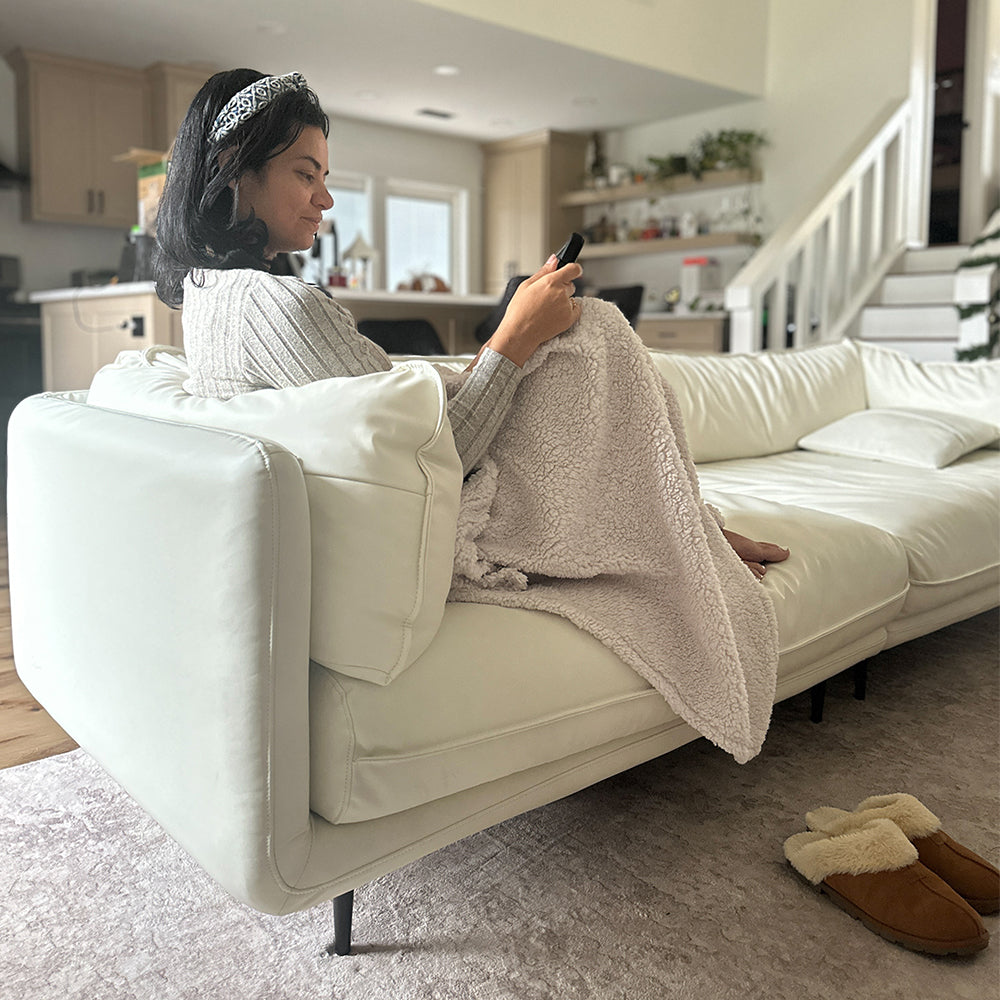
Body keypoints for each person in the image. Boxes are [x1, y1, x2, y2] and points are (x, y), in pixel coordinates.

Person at [154, 69, 787, 578]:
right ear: (234, 167)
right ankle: (682, 526)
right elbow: (436, 454)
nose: (325, 199)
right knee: (593, 328)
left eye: (325, 177)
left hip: (367, 499)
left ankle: (681, 519)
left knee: (560, 338)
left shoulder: (210, 296)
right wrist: (514, 337)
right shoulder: (279, 307)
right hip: (438, 508)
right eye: (305, 174)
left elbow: (394, 417)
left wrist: (498, 347)